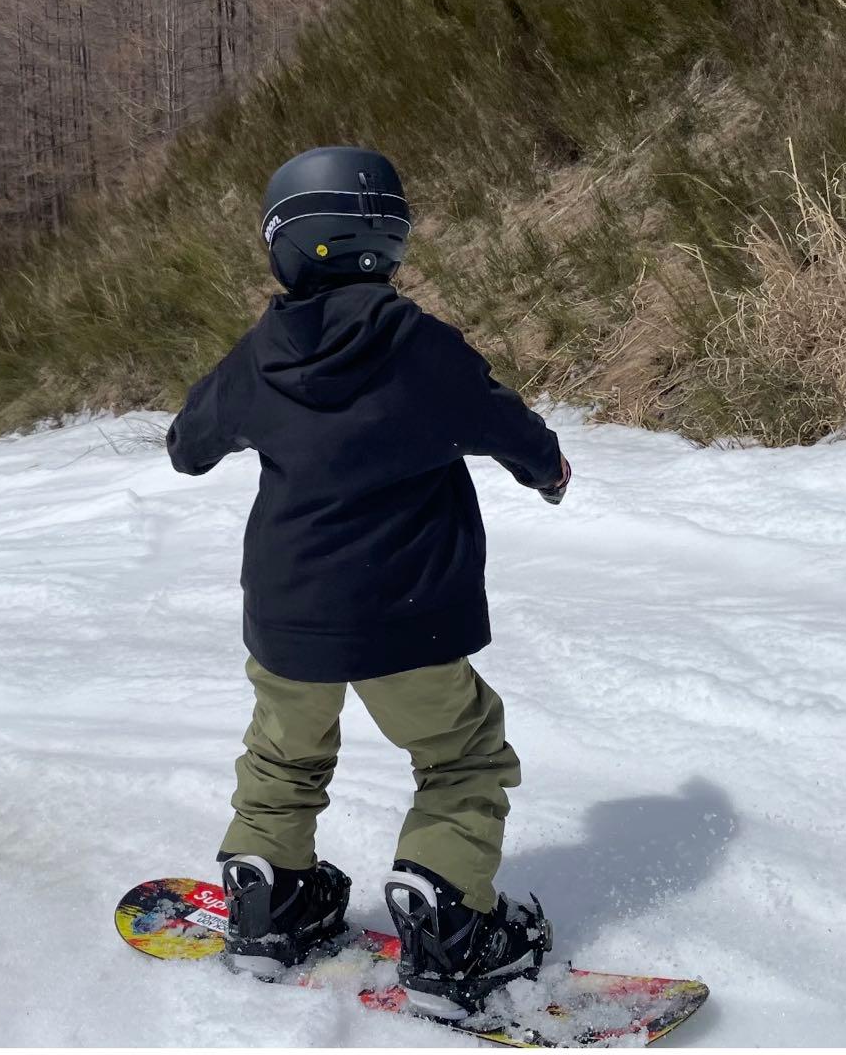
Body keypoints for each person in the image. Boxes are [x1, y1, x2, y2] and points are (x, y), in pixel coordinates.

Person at [166, 146, 571, 1019]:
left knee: (283, 753)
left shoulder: (261, 354)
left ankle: (270, 898)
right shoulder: (419, 345)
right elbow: (505, 421)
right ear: (389, 241)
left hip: (289, 615)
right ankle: (450, 924)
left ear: (285, 245)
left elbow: (188, 445)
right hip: (406, 615)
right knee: (461, 755)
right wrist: (547, 469)